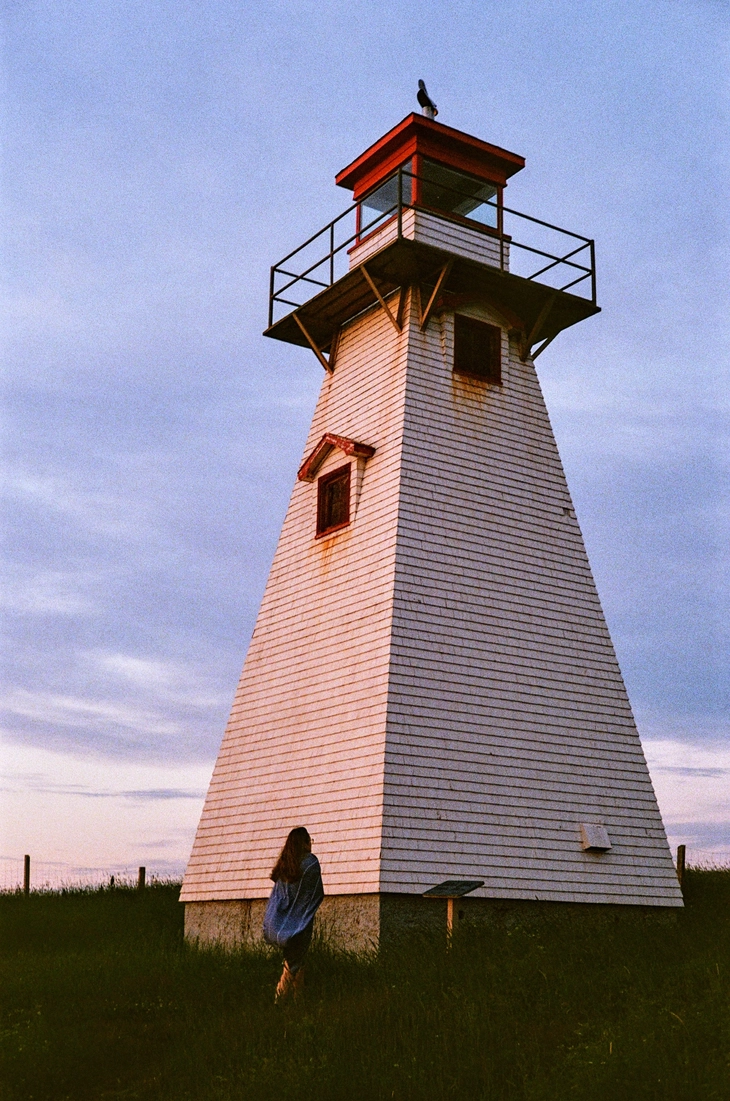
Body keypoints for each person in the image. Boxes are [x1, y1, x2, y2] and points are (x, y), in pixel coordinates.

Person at [263, 826, 324, 1001]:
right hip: (300, 923)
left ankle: (299, 1000)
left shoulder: (285, 864)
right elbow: (313, 893)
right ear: (304, 843)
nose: (311, 845)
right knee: (292, 963)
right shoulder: (310, 863)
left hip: (282, 923)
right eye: (309, 841)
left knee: (298, 959)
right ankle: (278, 1000)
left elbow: (280, 897)